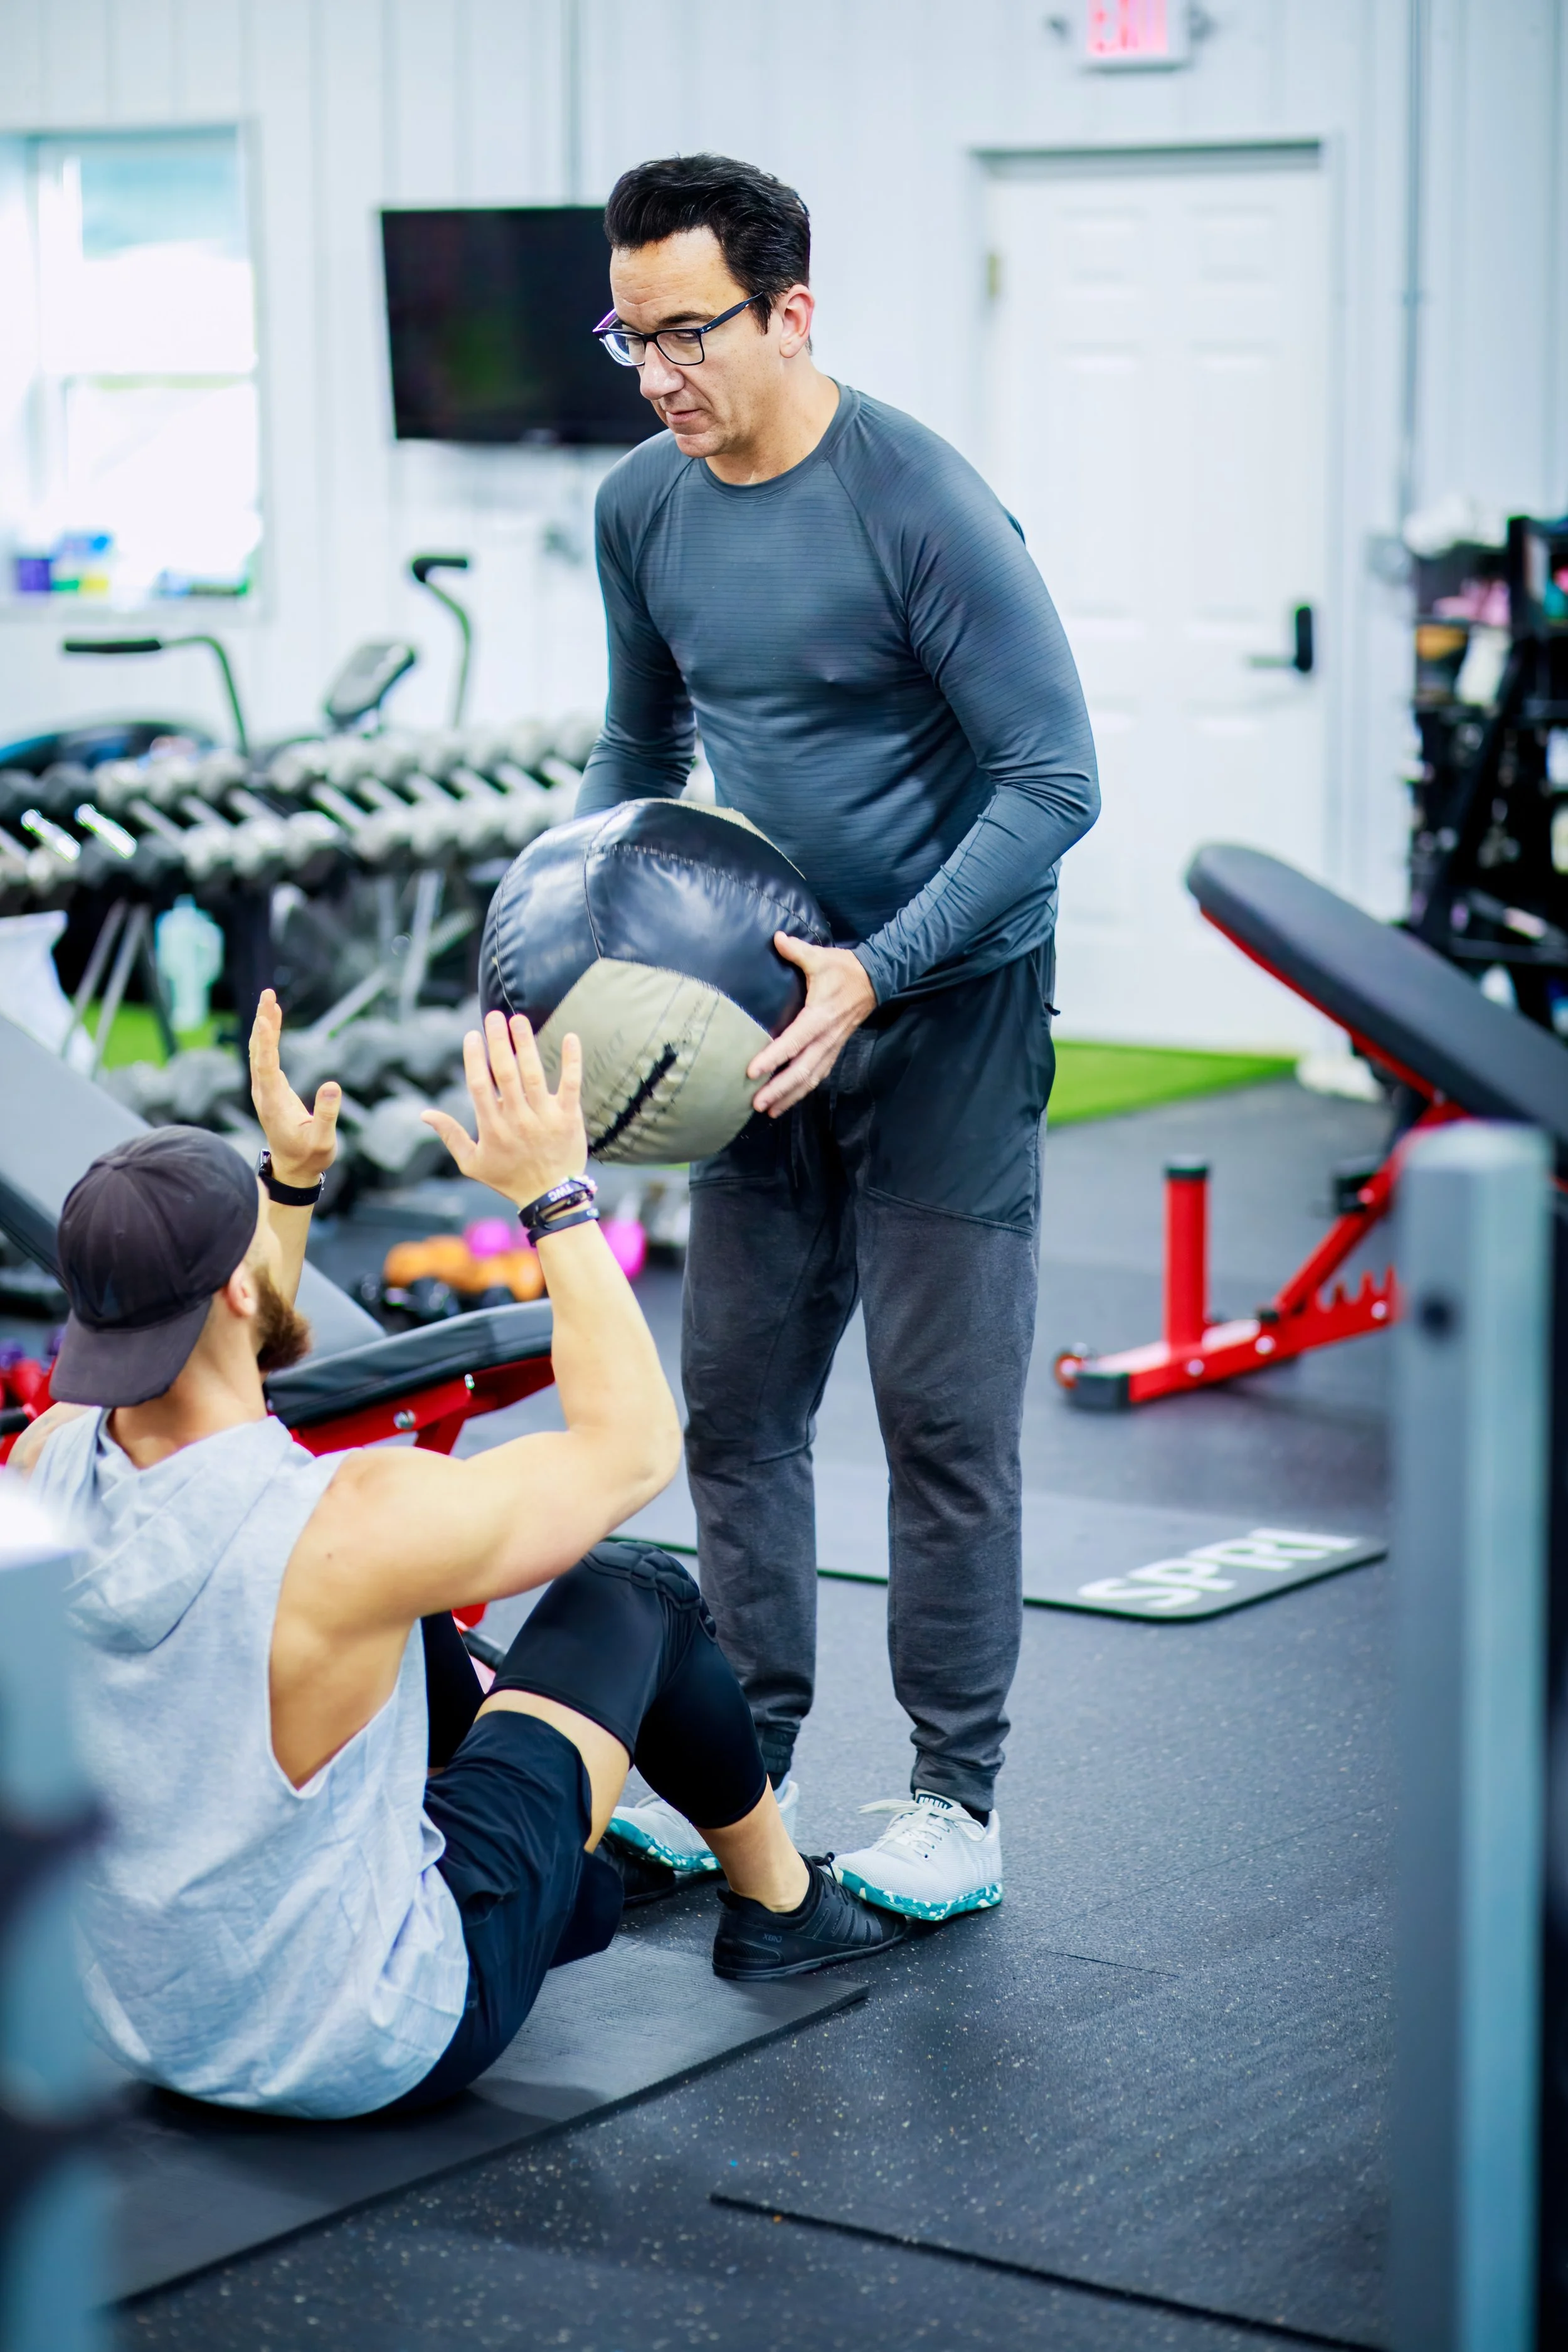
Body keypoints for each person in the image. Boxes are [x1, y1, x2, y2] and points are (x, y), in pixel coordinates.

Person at [14, 993, 900, 2121]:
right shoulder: (351, 1523)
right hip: (365, 2037)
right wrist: (555, 1193)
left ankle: (544, 1855)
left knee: (421, 1623)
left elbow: (221, 1364)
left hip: (144, 2025)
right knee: (634, 1591)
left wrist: (288, 1183)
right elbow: (630, 1450)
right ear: (238, 1290)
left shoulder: (43, 1468)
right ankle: (783, 1908)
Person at [580, 154, 1099, 1922]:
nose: (657, 373)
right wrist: (569, 952)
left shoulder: (917, 501)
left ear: (791, 311)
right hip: (751, 1009)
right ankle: (747, 1760)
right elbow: (633, 762)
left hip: (943, 1007)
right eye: (629, 333)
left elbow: (1053, 784)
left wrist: (876, 968)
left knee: (938, 1419)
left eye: (688, 331)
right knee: (732, 1402)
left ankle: (956, 1796)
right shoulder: (641, 506)